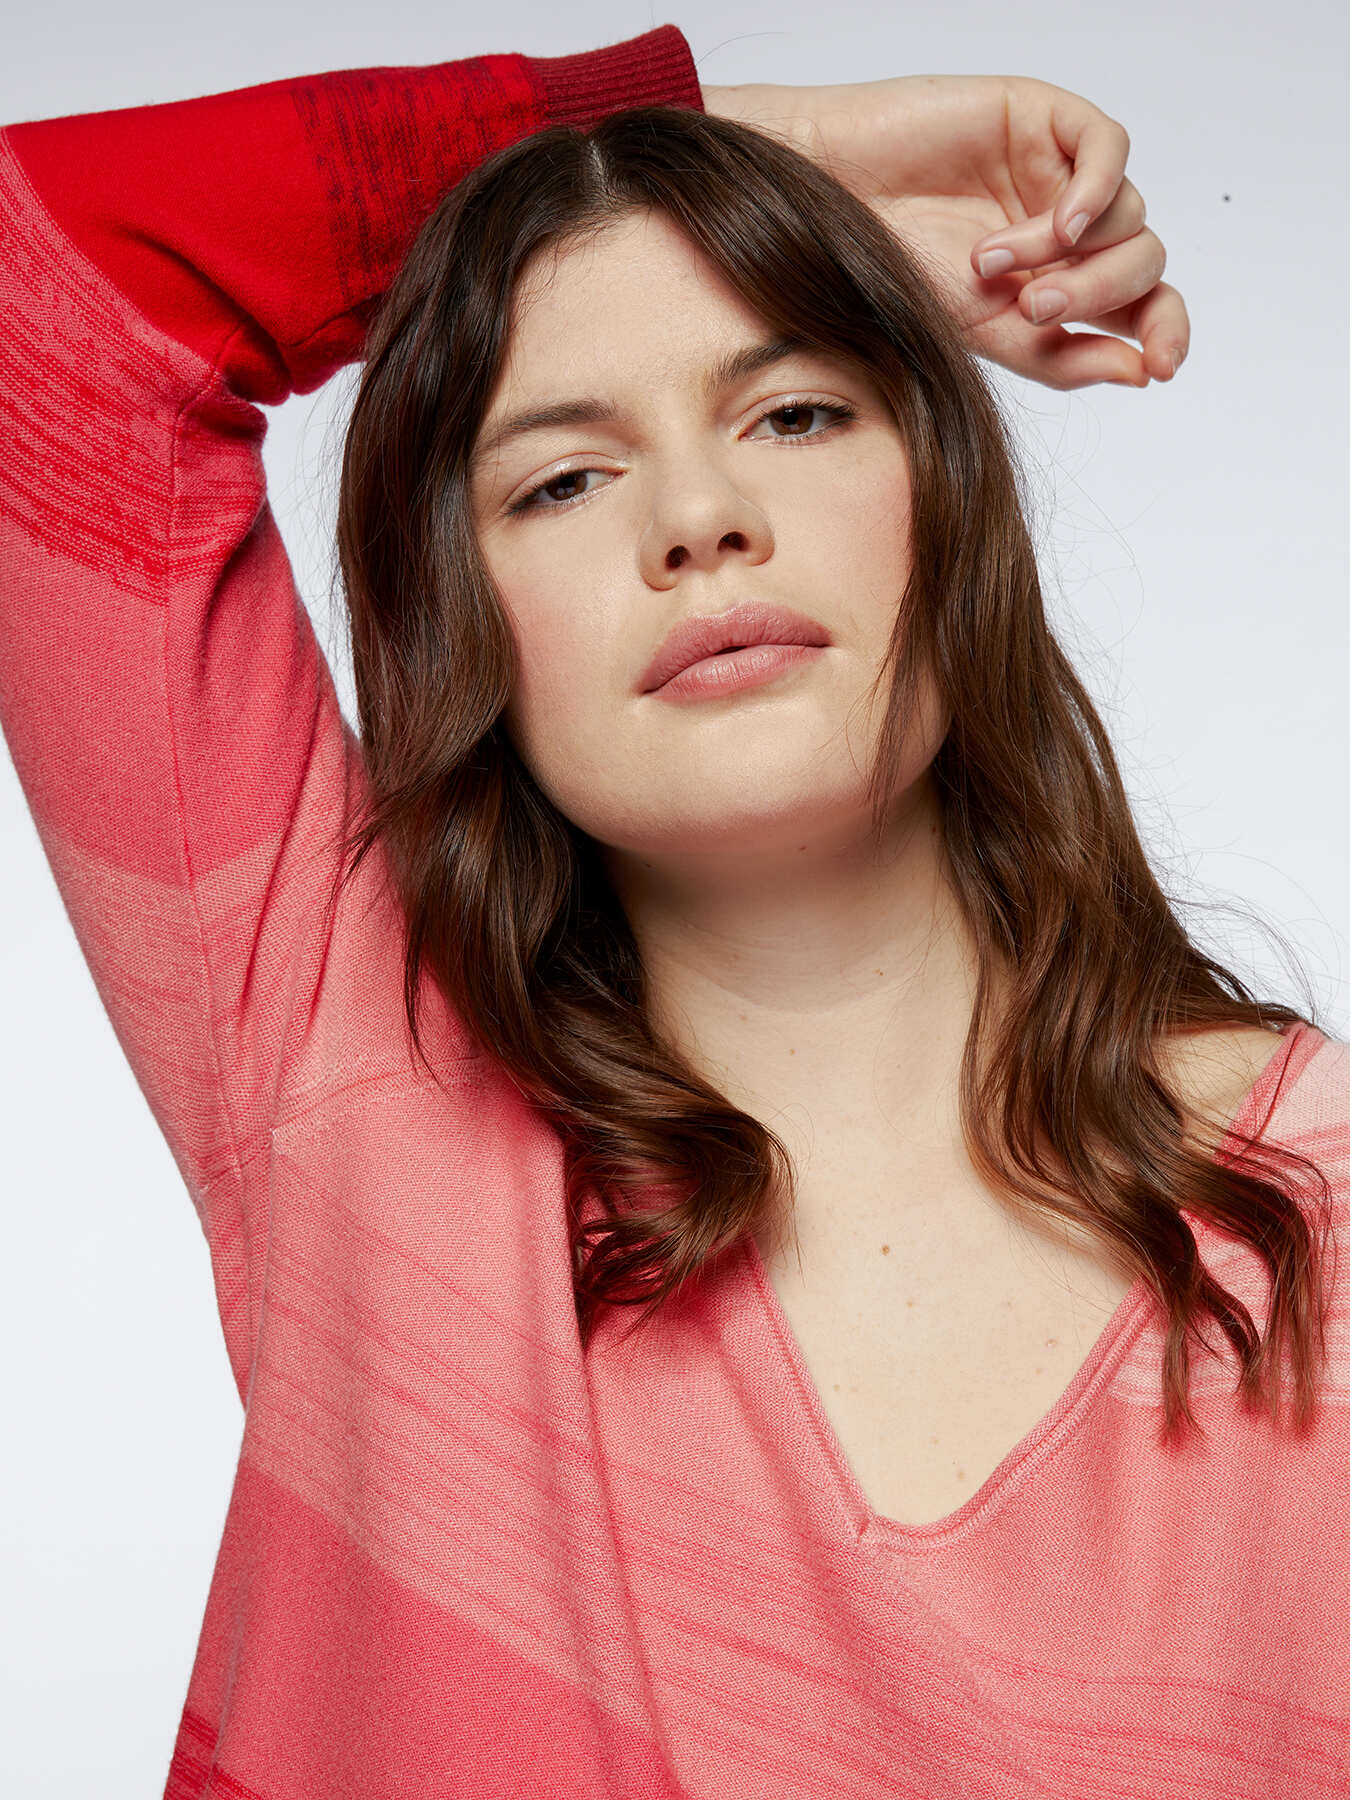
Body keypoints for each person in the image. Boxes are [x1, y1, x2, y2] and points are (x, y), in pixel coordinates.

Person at [0, 22, 1345, 1798]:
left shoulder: (1317, 1215)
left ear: (948, 499)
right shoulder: (355, 1080)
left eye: (794, 413)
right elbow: (39, 288)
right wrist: (740, 151)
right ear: (457, 621)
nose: (700, 517)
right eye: (562, 478)